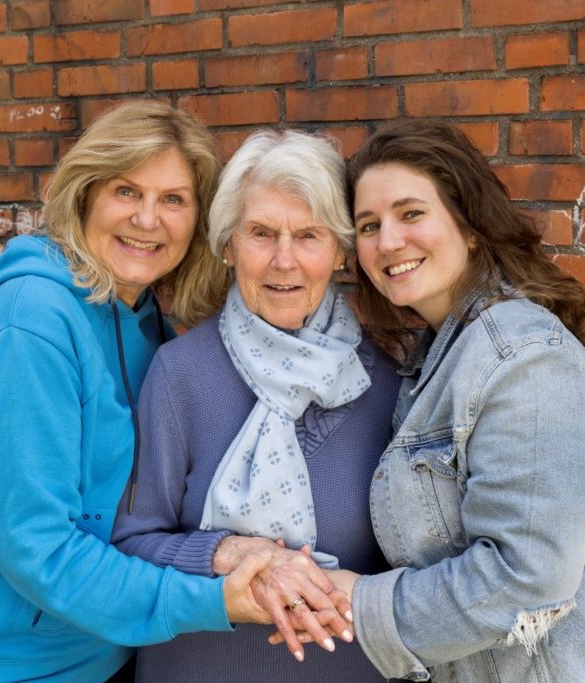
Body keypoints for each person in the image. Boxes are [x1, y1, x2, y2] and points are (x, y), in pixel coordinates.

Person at [0, 102, 328, 682]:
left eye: (173, 200)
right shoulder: (30, 325)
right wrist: (214, 600)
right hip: (6, 663)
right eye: (127, 192)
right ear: (86, 195)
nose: (148, 220)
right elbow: (39, 548)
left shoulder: (145, 320)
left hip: (107, 652)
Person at [315, 120, 585, 682]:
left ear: (471, 226)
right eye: (368, 225)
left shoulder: (522, 355)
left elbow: (528, 574)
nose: (388, 242)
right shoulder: (436, 362)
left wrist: (362, 603)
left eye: (411, 214)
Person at [111, 129, 402, 682]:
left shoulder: (385, 385)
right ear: (229, 245)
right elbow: (132, 544)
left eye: (309, 235)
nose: (283, 261)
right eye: (261, 233)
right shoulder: (180, 375)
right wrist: (234, 555)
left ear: (340, 250)